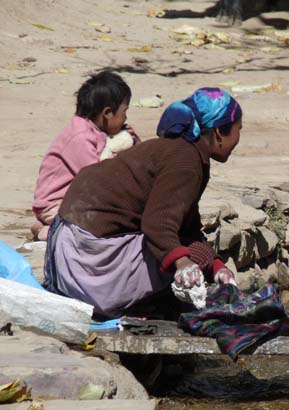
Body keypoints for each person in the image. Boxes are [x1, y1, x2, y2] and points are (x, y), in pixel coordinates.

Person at [44, 87, 241, 319]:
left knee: (196, 254)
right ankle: (132, 305)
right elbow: (158, 224)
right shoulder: (186, 163)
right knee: (195, 256)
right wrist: (185, 263)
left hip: (67, 247)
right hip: (86, 264)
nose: (239, 138)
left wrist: (218, 266)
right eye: (238, 130)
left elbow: (185, 225)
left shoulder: (181, 152)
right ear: (219, 133)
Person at [31, 70, 139, 241]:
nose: (126, 118)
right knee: (104, 228)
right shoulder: (79, 137)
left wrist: (133, 142)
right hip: (55, 204)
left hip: (75, 199)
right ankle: (50, 231)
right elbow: (95, 178)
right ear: (107, 113)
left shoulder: (96, 131)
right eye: (124, 112)